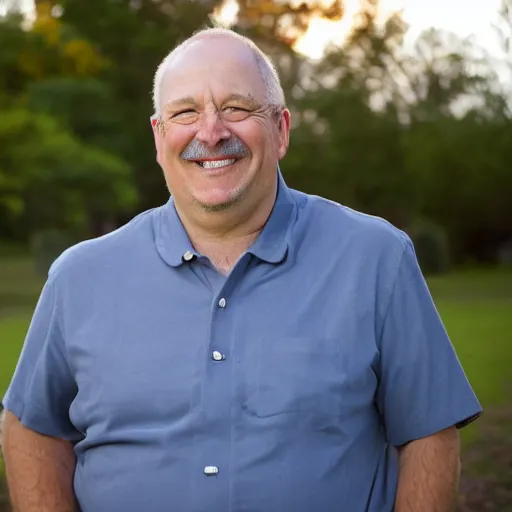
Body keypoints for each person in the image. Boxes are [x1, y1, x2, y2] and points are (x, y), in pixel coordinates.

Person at [0, 27, 482, 512]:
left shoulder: (377, 258)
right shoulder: (79, 278)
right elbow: (31, 425)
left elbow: (428, 434)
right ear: (159, 135)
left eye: (236, 108)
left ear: (281, 129)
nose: (210, 132)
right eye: (185, 112)